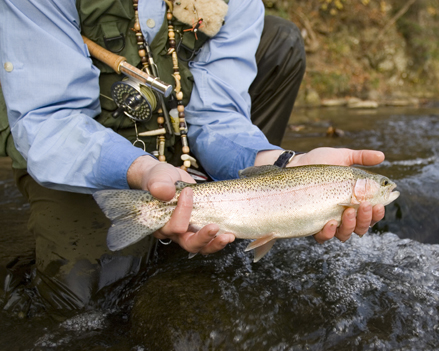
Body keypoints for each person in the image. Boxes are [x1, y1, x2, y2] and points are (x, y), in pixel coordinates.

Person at [0, 0, 386, 317]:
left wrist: (280, 164)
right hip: (75, 142)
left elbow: (216, 113)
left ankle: (231, 205)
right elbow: (50, 120)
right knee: (86, 306)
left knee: (280, 38)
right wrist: (144, 170)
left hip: (181, 130)